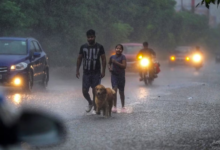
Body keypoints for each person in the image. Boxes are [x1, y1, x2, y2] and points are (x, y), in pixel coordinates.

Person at [76, 29, 106, 113]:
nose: (90, 39)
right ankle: (90, 102)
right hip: (86, 72)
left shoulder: (100, 47)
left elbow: (103, 59)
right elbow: (79, 58)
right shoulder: (83, 47)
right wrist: (77, 70)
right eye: (89, 37)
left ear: (95, 37)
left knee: (95, 90)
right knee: (84, 91)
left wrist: (103, 71)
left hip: (96, 72)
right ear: (87, 38)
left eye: (92, 37)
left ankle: (97, 106)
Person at [108, 44, 127, 113]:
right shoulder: (112, 57)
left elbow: (124, 66)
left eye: (120, 49)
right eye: (117, 48)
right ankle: (114, 106)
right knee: (114, 90)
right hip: (114, 76)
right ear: (115, 49)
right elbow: (109, 63)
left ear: (122, 50)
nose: (118, 50)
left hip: (121, 76)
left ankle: (123, 107)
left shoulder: (123, 57)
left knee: (121, 92)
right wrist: (109, 68)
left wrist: (116, 62)